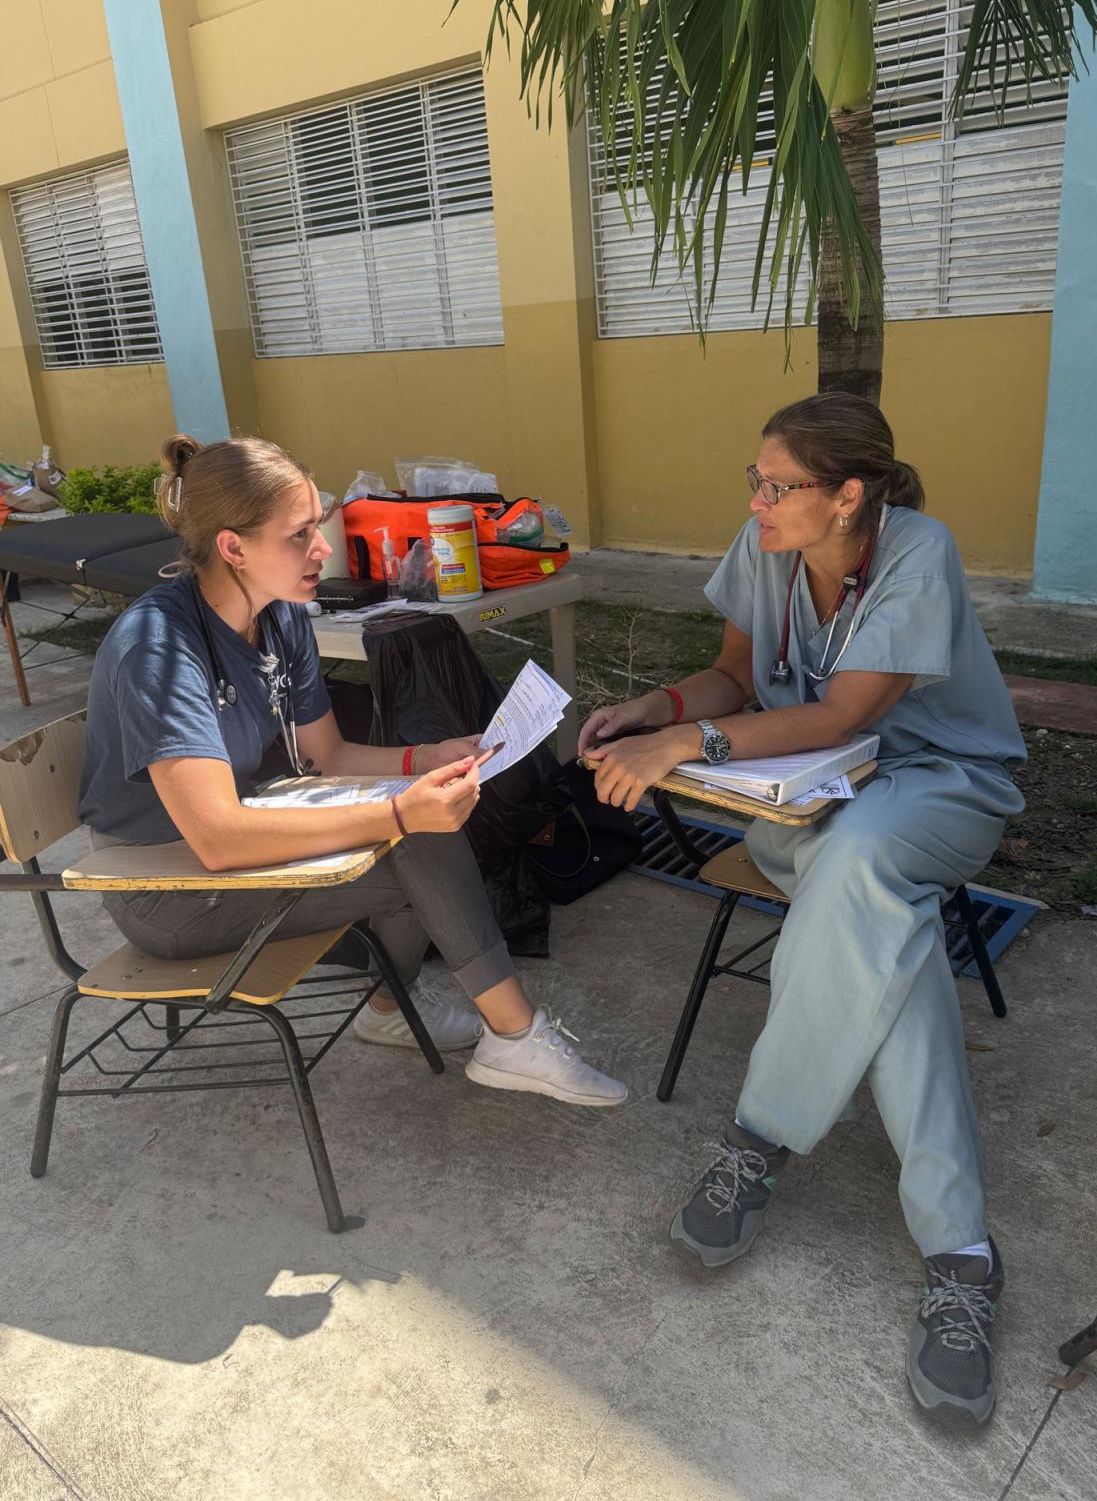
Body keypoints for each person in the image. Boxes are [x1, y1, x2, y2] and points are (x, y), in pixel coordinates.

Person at [579, 393, 1025, 1425]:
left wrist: (691, 748)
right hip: (803, 798)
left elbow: (844, 714)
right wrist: (659, 708)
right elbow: (735, 674)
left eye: (776, 486)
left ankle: (757, 1140)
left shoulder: (918, 551)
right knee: (877, 919)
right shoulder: (766, 546)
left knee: (863, 860)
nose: (756, 500)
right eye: (754, 479)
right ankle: (959, 1257)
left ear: (848, 495)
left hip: (939, 785)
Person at [78, 434, 626, 1108]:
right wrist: (399, 813)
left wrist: (423, 760)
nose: (323, 551)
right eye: (300, 534)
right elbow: (217, 839)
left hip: (250, 842)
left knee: (416, 817)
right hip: (168, 890)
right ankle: (508, 1034)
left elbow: (324, 756)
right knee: (412, 835)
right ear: (232, 547)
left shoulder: (278, 617)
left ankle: (398, 1012)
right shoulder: (158, 649)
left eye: (317, 526)